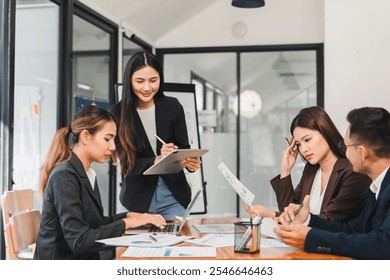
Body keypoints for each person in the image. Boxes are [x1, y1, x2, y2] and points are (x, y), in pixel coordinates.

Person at [34, 105, 166, 260]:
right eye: (107, 139)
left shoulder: (85, 172)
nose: (113, 146)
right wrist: (126, 223)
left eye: (113, 139)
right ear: (85, 136)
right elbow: (79, 242)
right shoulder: (64, 176)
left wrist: (130, 216)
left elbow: (94, 224)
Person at [275, 107, 390, 259]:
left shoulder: (365, 179)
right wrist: (307, 219)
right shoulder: (377, 186)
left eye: (347, 146)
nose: (345, 153)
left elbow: (383, 245)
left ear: (362, 152)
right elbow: (354, 229)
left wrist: (310, 238)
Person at [111, 51, 201, 221]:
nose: (147, 88)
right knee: (136, 247)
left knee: (176, 245)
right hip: (136, 200)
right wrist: (157, 159)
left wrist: (189, 162)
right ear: (129, 80)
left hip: (174, 197)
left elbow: (184, 149)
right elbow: (126, 164)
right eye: (140, 81)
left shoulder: (173, 106)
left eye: (153, 80)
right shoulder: (117, 114)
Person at [245, 106, 371, 222]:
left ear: (325, 132)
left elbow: (329, 221)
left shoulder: (354, 170)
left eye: (307, 140)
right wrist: (285, 171)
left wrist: (273, 215)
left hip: (337, 246)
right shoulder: (311, 169)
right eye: (298, 144)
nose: (303, 149)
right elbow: (290, 211)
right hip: (308, 244)